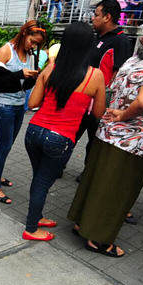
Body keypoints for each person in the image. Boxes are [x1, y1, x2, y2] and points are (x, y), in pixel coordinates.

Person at [68, 19, 143, 258]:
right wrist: (124, 115)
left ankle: (81, 223)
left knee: (96, 182)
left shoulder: (133, 60)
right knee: (117, 191)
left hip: (108, 134)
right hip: (133, 141)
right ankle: (98, 239)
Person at [23, 22, 105, 241]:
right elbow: (98, 112)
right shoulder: (95, 76)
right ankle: (31, 229)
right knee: (42, 181)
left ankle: (36, 215)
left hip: (34, 131)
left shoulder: (49, 70)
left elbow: (32, 103)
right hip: (60, 138)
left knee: (40, 178)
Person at [0, 21, 45, 204]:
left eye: (37, 44)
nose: (33, 46)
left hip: (20, 106)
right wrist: (20, 74)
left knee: (8, 145)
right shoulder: (6, 50)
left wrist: (34, 77)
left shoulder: (31, 55)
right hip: (4, 106)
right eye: (31, 41)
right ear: (23, 34)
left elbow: (25, 86)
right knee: (5, 145)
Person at [76, 0, 133, 170]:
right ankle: (57, 166)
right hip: (82, 98)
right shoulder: (96, 37)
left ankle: (88, 172)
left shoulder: (121, 41)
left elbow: (118, 74)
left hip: (100, 103)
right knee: (72, 134)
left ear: (107, 17)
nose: (93, 18)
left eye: (96, 15)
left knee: (94, 141)